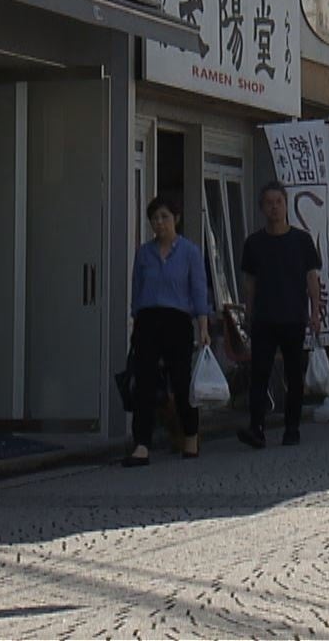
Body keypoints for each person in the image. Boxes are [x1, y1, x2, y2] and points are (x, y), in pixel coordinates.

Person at [125, 196, 212, 467]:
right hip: (148, 320)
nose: (159, 223)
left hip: (178, 321)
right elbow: (137, 289)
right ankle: (141, 444)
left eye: (164, 217)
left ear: (176, 218)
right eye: (154, 218)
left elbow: (199, 291)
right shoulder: (144, 253)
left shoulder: (189, 252)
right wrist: (135, 322)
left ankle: (190, 436)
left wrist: (203, 327)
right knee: (145, 383)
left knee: (181, 381)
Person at [237, 181, 323, 449]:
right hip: (264, 317)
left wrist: (315, 311)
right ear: (262, 208)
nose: (274, 208)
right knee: (259, 374)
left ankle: (292, 427)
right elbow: (250, 282)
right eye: (269, 203)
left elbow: (312, 278)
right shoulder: (254, 243)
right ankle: (257, 428)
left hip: (293, 316)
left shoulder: (301, 240)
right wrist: (248, 311)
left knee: (294, 375)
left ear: (286, 205)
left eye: (279, 202)